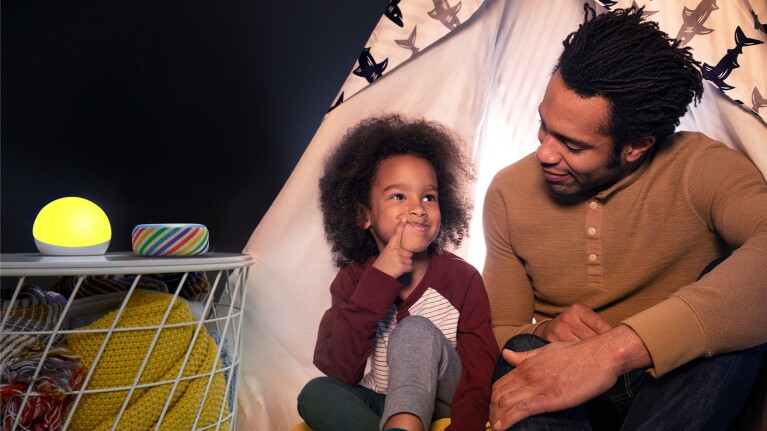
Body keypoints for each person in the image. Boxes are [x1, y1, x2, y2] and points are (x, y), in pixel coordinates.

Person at [482, 5, 767, 431]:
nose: (544, 151)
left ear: (636, 146)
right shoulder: (508, 191)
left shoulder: (700, 167)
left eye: (573, 145)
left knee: (734, 312)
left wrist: (613, 352)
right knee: (524, 347)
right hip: (571, 406)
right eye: (544, 125)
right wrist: (546, 335)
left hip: (677, 392)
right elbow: (502, 328)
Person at [298, 114, 499, 431]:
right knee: (314, 394)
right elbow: (338, 367)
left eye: (428, 197)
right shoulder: (352, 282)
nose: (418, 207)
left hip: (444, 398)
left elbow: (480, 371)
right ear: (364, 214)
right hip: (378, 401)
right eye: (398, 196)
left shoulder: (463, 279)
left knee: (415, 330)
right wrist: (379, 280)